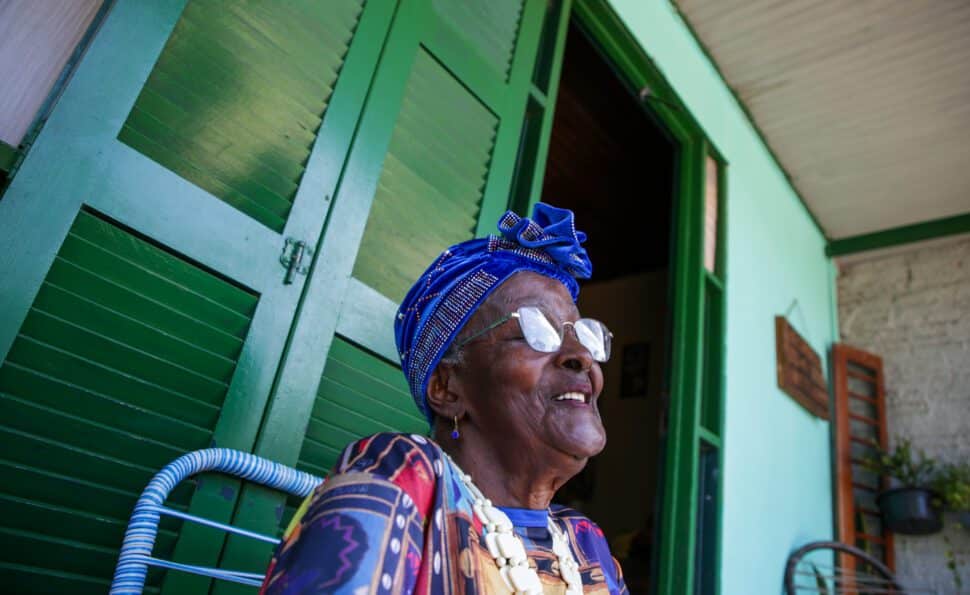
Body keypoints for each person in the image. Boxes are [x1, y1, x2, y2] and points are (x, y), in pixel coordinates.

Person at [260, 204, 626, 594]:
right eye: (537, 331)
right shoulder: (406, 476)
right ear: (446, 388)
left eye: (584, 335)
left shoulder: (586, 542)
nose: (582, 357)